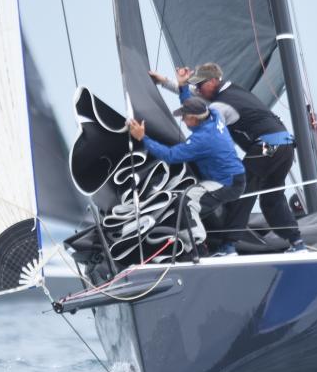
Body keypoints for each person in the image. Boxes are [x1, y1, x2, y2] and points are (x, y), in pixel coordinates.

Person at [151, 63, 306, 252]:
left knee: (239, 189)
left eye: (201, 85)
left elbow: (206, 125)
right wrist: (165, 82)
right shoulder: (230, 89)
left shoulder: (220, 105)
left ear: (215, 80)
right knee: (271, 199)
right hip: (285, 147)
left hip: (268, 148)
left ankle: (228, 247)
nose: (198, 89)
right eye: (197, 85)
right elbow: (195, 97)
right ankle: (298, 243)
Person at [128, 97, 246, 257]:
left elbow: (170, 155)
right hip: (234, 176)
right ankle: (211, 243)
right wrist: (183, 88)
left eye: (184, 117)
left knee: (186, 202)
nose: (182, 120)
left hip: (226, 183)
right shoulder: (213, 115)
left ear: (193, 118)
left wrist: (143, 138)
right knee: (189, 207)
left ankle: (199, 249)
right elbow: (197, 106)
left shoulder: (202, 139)